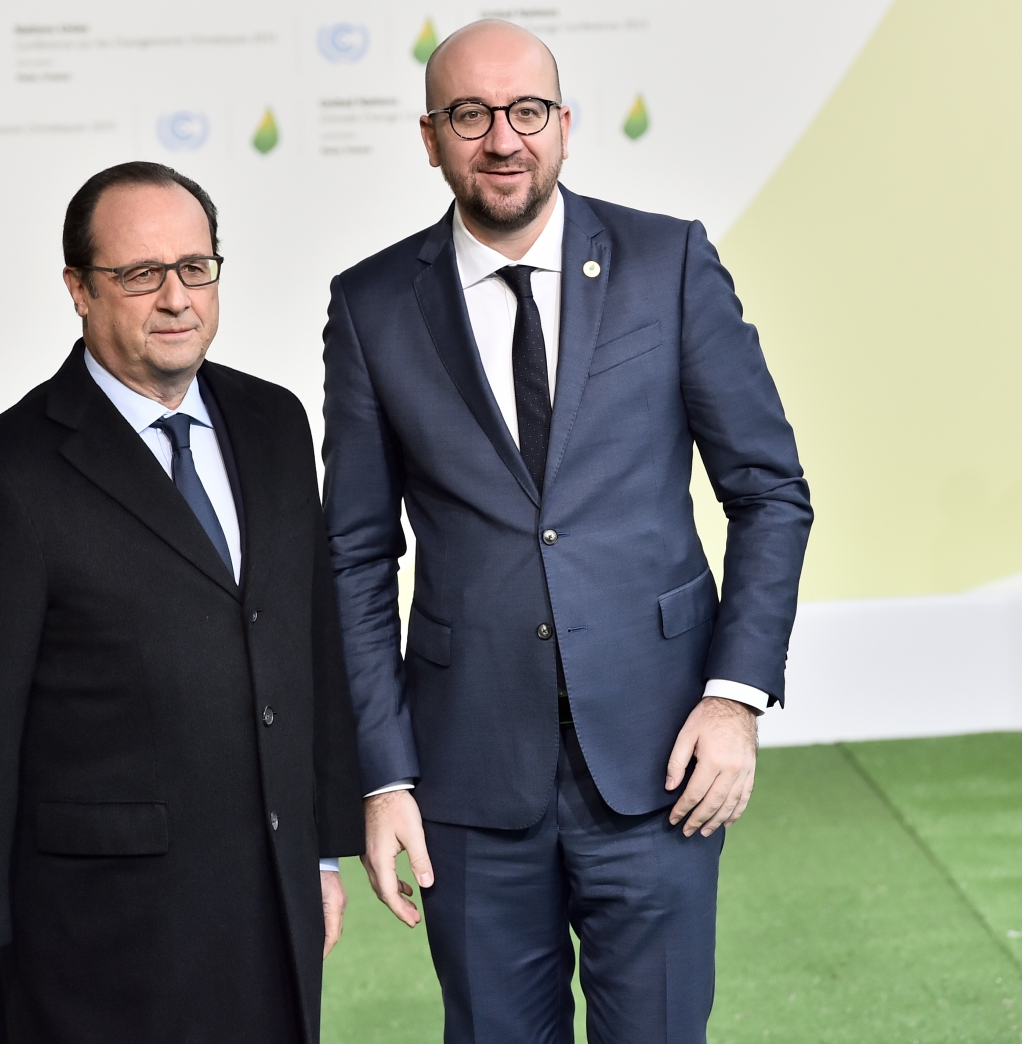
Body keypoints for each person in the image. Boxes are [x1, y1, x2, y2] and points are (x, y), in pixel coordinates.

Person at [321, 20, 812, 1044]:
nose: (502, 138)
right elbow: (357, 555)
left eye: (525, 112)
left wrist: (733, 698)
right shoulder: (370, 307)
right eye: (469, 115)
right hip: (464, 775)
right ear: (429, 137)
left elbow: (767, 489)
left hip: (661, 762)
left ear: (563, 126)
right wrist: (381, 771)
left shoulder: (664, 260)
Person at [0, 161, 364, 1044]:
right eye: (141, 275)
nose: (177, 298)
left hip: (269, 901)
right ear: (78, 288)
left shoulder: (274, 424)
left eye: (196, 267)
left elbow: (306, 642)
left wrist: (316, 850)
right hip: (96, 929)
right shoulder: (1, 476)